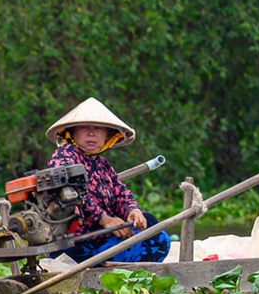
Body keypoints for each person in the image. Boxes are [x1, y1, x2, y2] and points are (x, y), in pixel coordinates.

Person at [44, 97, 170, 264]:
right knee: (158, 239)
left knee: (150, 224)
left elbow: (121, 194)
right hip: (75, 246)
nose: (91, 133)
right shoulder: (65, 155)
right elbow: (71, 192)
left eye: (97, 129)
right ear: (72, 132)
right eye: (84, 128)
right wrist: (105, 220)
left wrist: (133, 211)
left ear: (107, 135)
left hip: (101, 240)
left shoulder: (103, 165)